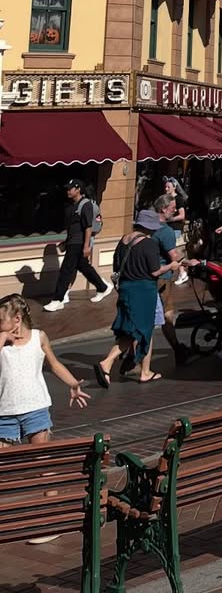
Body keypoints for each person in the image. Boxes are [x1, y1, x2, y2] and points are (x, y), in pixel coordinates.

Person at [94, 211, 171, 387]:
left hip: (126, 290)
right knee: (143, 329)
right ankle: (140, 370)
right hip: (143, 291)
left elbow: (115, 267)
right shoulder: (149, 244)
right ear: (148, 228)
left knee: (131, 330)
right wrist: (172, 266)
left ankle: (110, 365)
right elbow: (154, 271)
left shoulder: (122, 241)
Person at [0, 295, 89, 446]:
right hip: (5, 411)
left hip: (35, 408)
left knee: (41, 456)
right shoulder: (1, 342)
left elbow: (54, 364)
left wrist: (73, 383)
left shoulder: (38, 337)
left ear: (17, 319)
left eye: (0, 320)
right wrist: (2, 337)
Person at [43, 180, 111, 312]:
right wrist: (66, 242)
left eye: (70, 188)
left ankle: (58, 299)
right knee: (83, 267)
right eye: (67, 188)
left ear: (78, 189)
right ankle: (102, 287)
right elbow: (72, 228)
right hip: (73, 241)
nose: (68, 191)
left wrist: (86, 246)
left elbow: (88, 228)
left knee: (66, 270)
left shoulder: (85, 205)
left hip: (79, 242)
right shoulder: (71, 206)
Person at [140, 195, 189, 377]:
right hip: (161, 278)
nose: (175, 210)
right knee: (167, 316)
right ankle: (178, 349)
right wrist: (189, 263)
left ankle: (131, 355)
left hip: (143, 278)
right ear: (163, 209)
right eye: (173, 207)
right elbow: (174, 256)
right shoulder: (166, 231)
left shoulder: (146, 229)